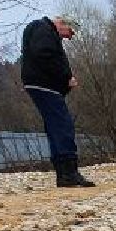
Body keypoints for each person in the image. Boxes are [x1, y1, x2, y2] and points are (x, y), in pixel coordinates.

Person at [20, 15, 96, 187]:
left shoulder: (43, 31)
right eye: (71, 32)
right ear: (62, 23)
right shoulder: (44, 29)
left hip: (41, 85)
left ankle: (64, 174)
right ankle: (68, 172)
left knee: (55, 126)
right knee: (62, 125)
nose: (70, 37)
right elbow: (44, 55)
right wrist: (66, 77)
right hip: (45, 85)